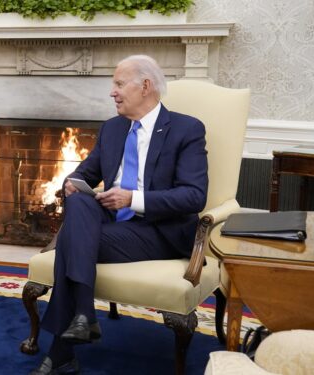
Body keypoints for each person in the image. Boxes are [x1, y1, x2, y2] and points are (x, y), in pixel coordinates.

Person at [30, 55, 208, 375]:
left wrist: (133, 198)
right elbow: (86, 173)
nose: (112, 92)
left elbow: (194, 196)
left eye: (118, 83)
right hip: (111, 225)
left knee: (72, 240)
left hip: (157, 231)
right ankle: (84, 316)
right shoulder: (112, 128)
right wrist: (70, 184)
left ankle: (62, 350)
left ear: (145, 86)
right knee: (80, 202)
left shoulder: (186, 129)